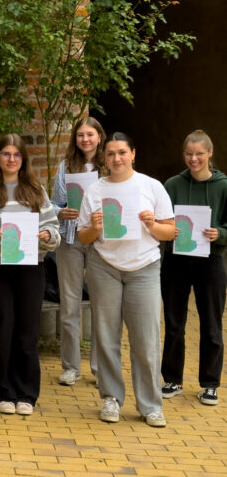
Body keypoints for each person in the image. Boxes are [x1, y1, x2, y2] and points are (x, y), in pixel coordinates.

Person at [77, 132, 175, 427]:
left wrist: (152, 224)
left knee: (146, 339)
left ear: (133, 154)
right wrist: (95, 228)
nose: (116, 158)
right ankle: (111, 398)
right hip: (104, 266)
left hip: (144, 267)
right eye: (110, 154)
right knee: (106, 335)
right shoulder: (95, 190)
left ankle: (150, 405)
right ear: (104, 158)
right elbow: (83, 237)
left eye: (122, 152)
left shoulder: (151, 186)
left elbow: (170, 231)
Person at [0, 133, 60, 416]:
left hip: (30, 269)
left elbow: (54, 229)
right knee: (1, 330)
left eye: (16, 154)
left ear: (23, 159)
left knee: (27, 331)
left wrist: (47, 235)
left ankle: (27, 394)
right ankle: (5, 392)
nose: (11, 159)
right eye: (6, 154)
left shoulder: (35, 190)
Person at [160, 130, 227, 406]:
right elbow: (161, 220)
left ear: (210, 153)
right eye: (188, 153)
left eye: (199, 153)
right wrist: (168, 230)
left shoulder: (223, 186)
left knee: (212, 324)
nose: (193, 159)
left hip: (211, 261)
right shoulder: (172, 185)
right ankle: (172, 379)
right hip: (176, 260)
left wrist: (220, 234)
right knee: (174, 322)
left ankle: (210, 384)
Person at [50, 116, 106, 386]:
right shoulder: (65, 167)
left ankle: (99, 368)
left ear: (99, 137)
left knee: (101, 306)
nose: (85, 139)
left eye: (90, 134)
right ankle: (71, 367)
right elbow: (53, 204)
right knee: (69, 305)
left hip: (100, 242)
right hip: (70, 240)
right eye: (81, 135)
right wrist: (61, 212)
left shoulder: (110, 166)